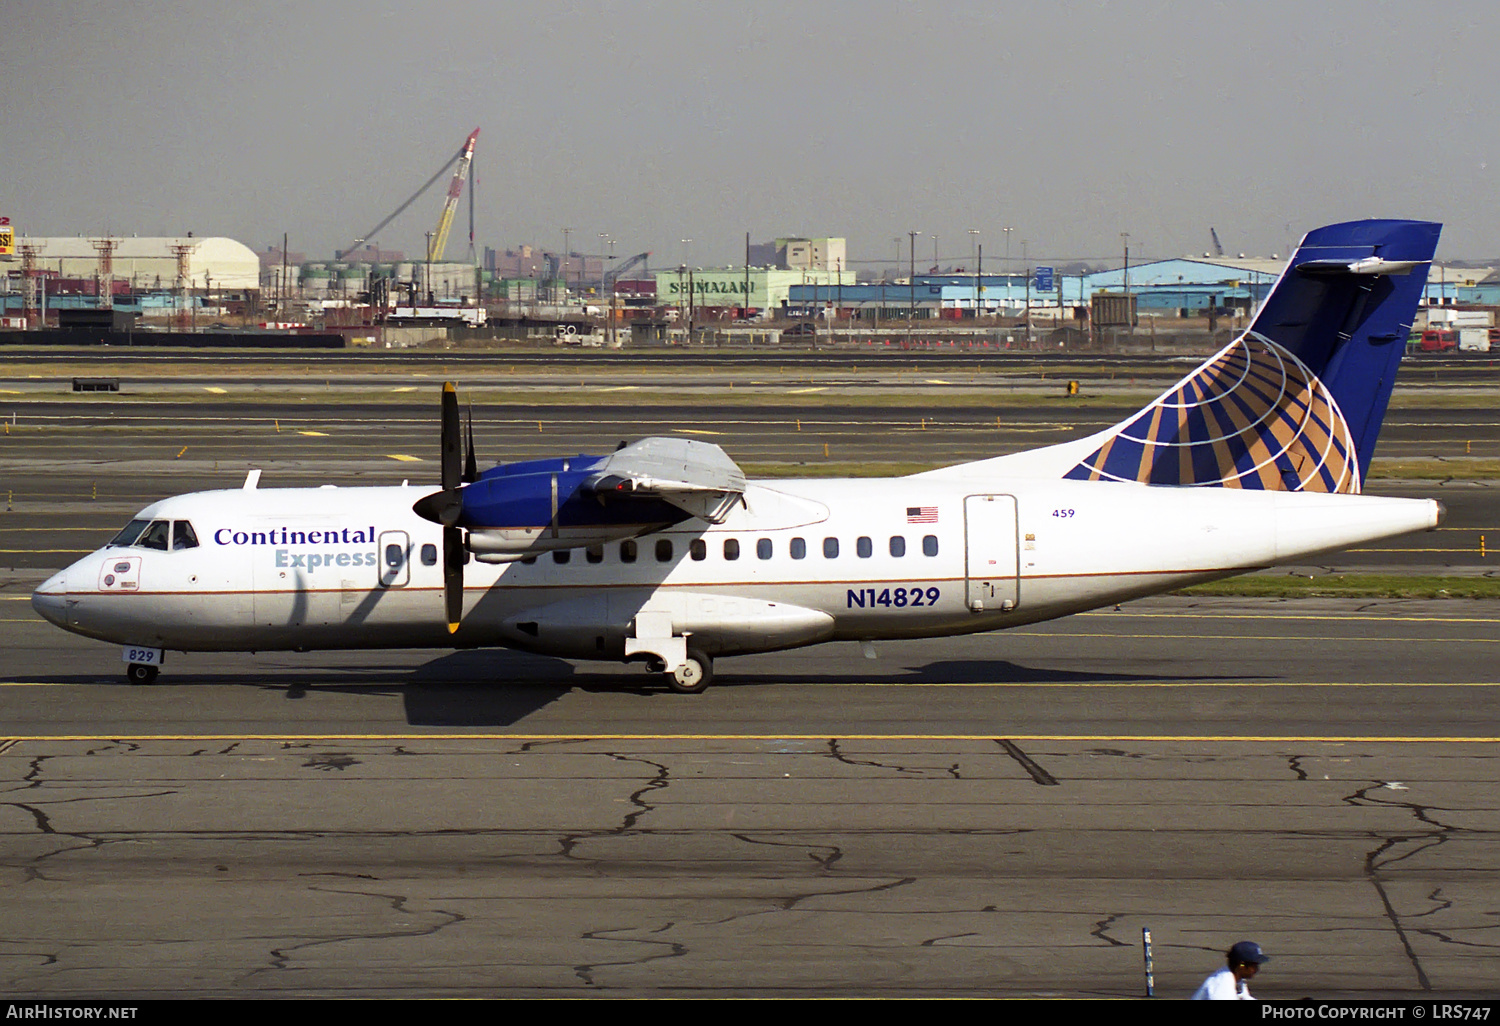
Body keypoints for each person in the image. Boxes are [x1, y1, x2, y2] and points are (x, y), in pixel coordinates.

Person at [1191, 940, 1270, 999]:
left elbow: (1245, 997)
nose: (1257, 970)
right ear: (1241, 965)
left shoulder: (1237, 979)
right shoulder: (1223, 987)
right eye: (1254, 965)